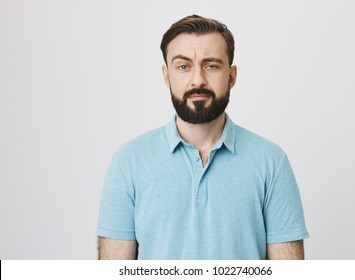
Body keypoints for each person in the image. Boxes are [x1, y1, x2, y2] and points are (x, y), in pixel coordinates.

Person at [97, 14, 309, 260]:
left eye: (211, 65)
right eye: (183, 66)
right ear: (167, 76)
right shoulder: (129, 162)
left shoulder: (271, 162)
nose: (197, 79)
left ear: (231, 76)